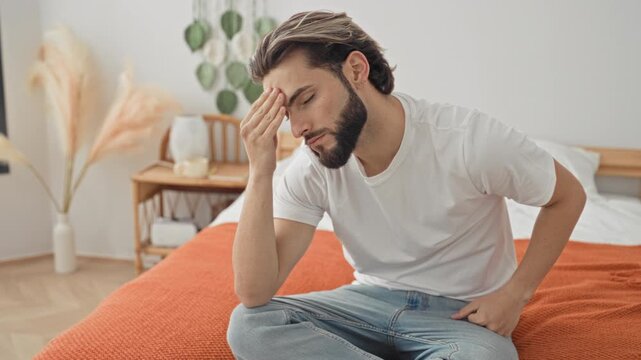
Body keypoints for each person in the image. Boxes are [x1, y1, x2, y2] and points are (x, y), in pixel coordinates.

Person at [226, 10, 586, 360]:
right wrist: (260, 170)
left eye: (306, 99)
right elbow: (255, 292)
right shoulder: (312, 167)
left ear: (355, 69)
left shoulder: (466, 139)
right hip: (366, 305)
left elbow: (568, 196)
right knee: (250, 326)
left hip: (459, 317)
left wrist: (514, 295)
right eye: (288, 113)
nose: (298, 128)